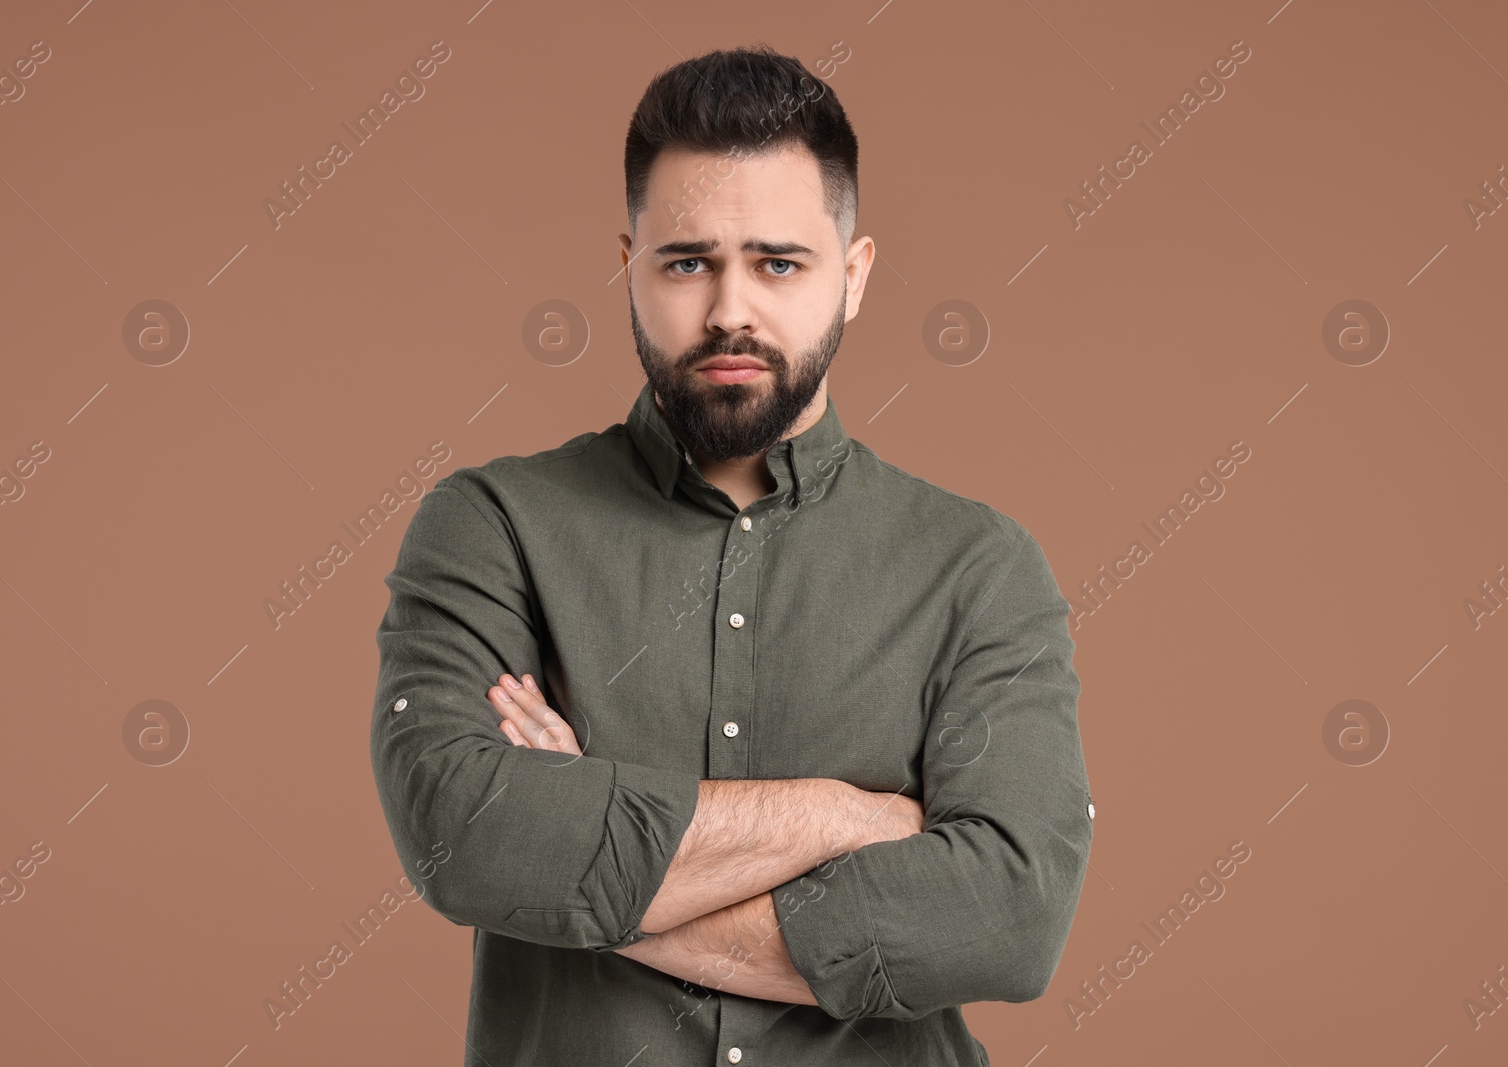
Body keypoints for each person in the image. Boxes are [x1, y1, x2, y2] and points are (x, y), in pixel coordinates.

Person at [370, 43, 1093, 1067]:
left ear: (854, 277)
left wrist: (594, 853)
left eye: (778, 262)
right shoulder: (492, 527)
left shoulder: (979, 568)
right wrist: (843, 815)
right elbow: (467, 833)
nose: (728, 310)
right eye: (686, 261)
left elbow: (1009, 917)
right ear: (626, 269)